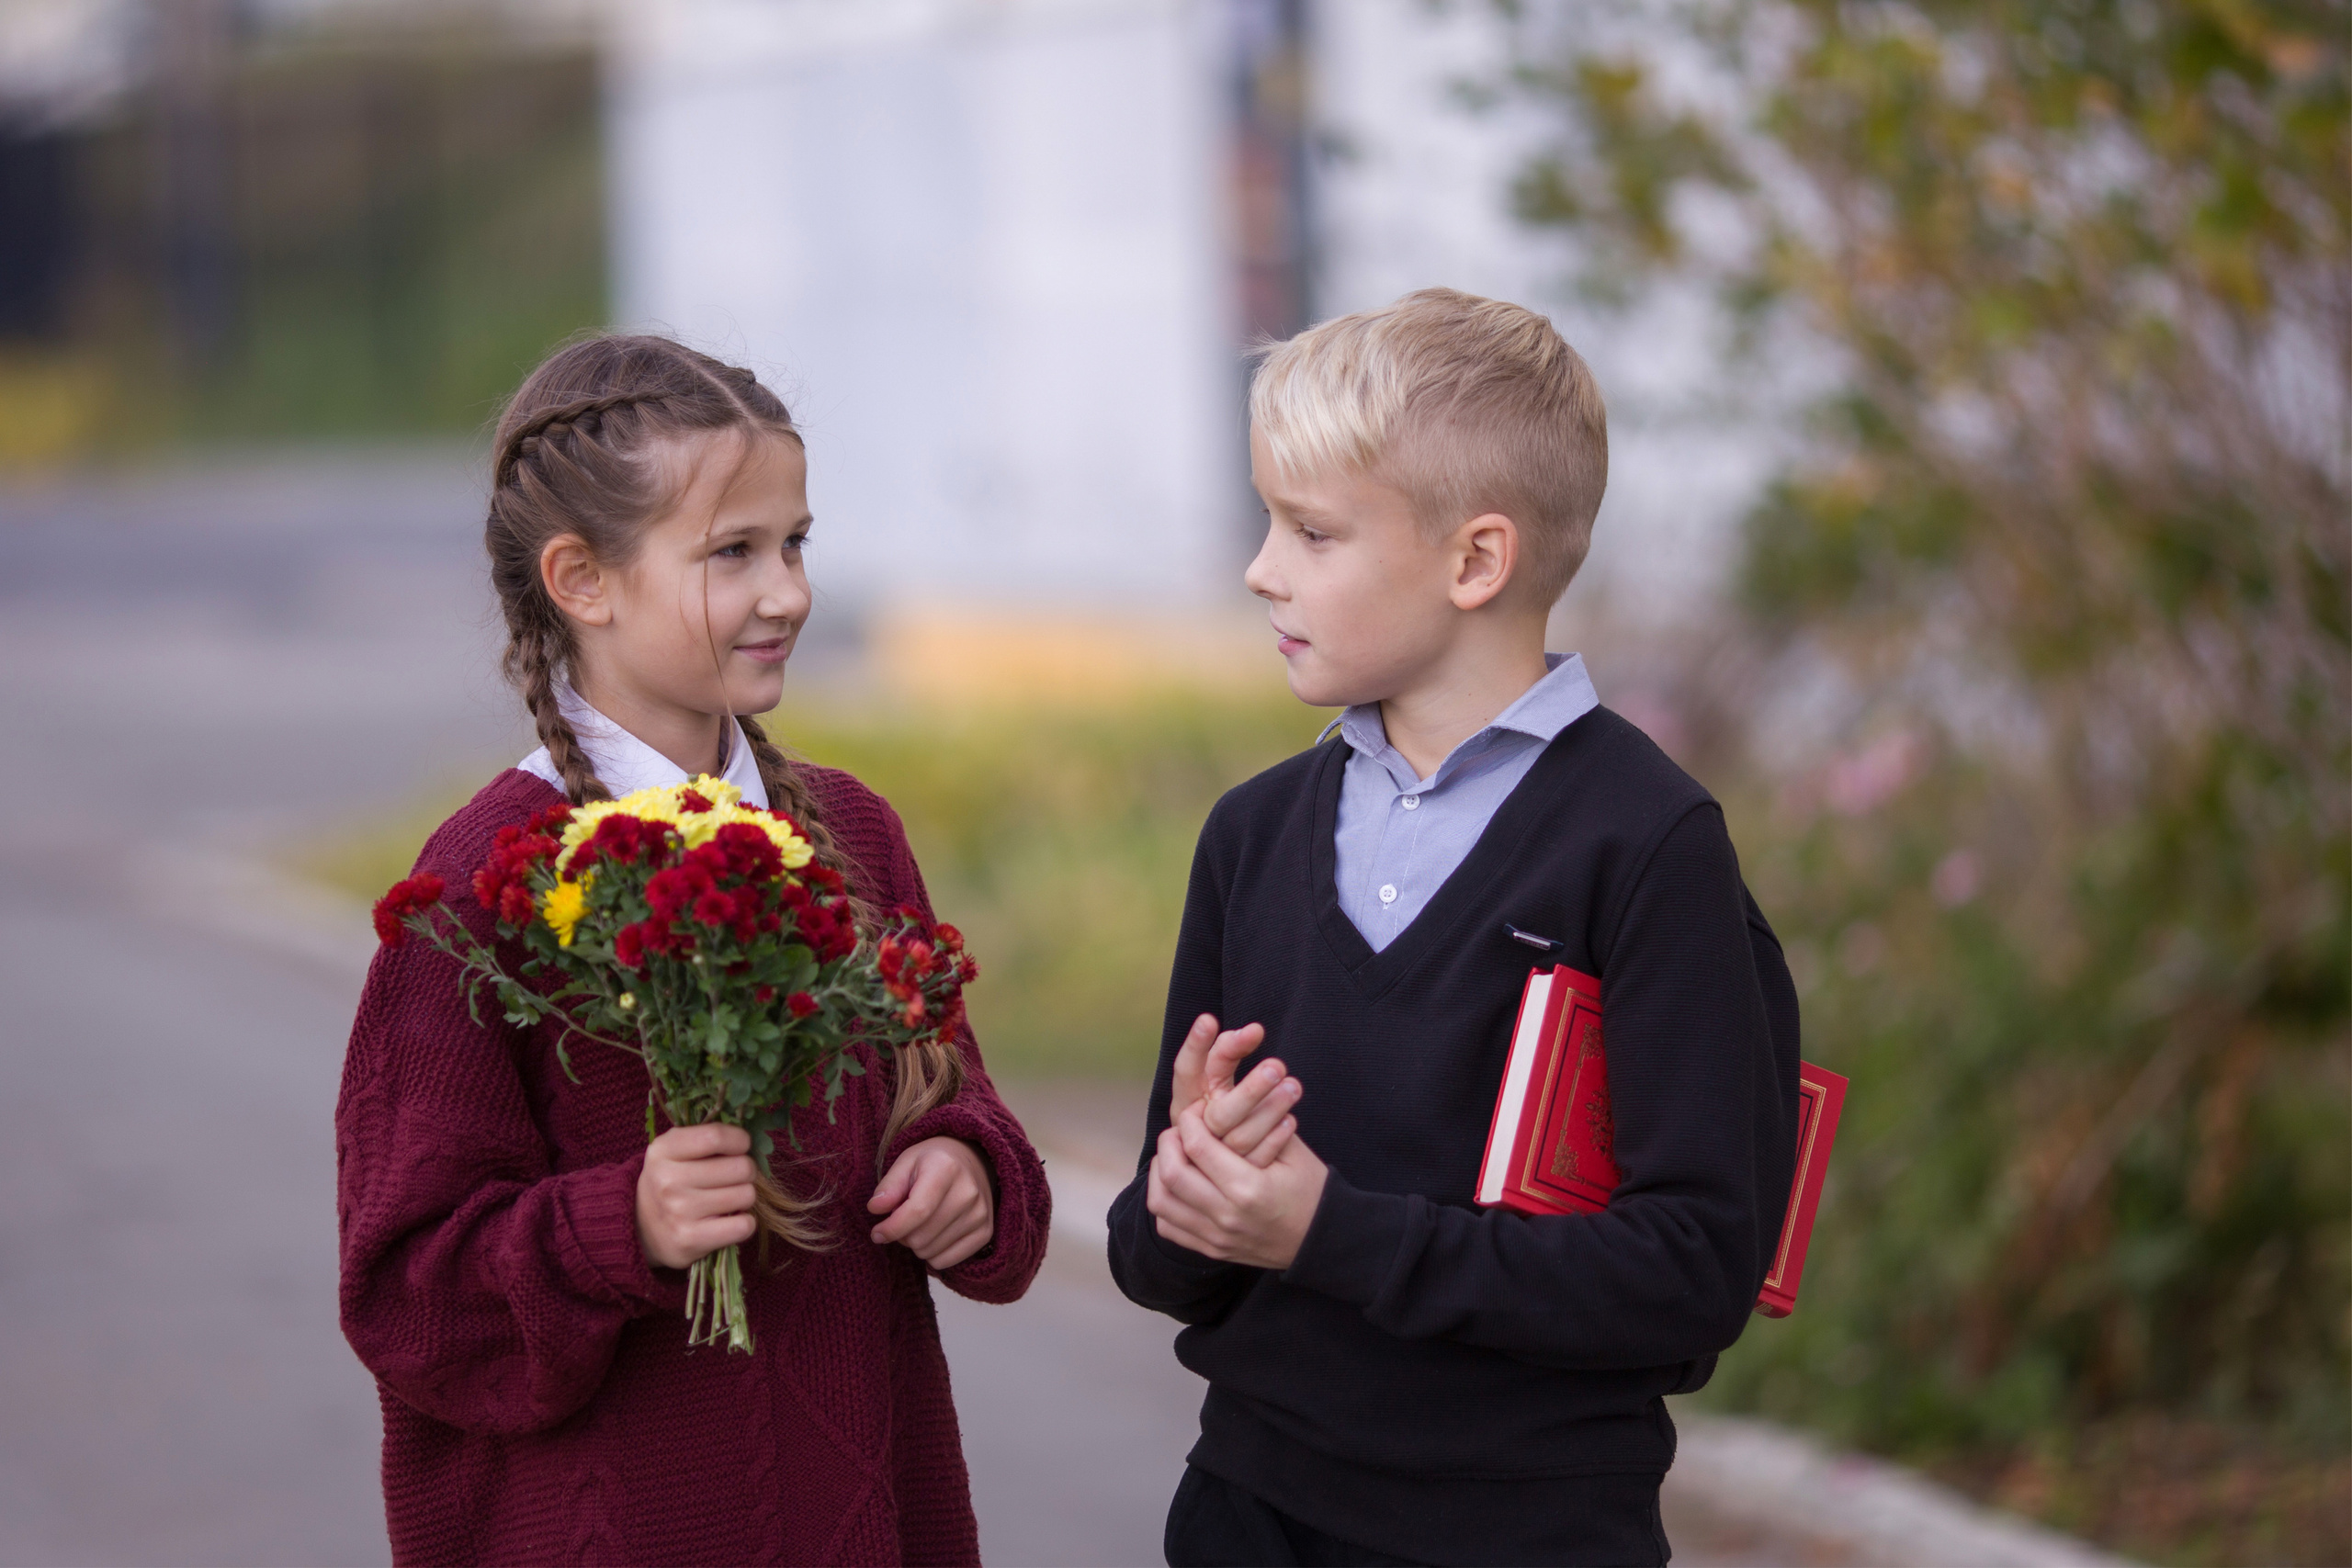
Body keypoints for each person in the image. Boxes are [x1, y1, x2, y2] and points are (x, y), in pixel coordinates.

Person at [1105, 288, 1801, 1568]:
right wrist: (1191, 1192)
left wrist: (1328, 1231)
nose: (1262, 568)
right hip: (1246, 1514)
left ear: (1476, 562)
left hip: (1529, 1531)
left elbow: (1697, 1270)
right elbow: (1155, 1264)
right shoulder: (1250, 837)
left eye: (1312, 532)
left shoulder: (1648, 845)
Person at [336, 334, 1050, 1566]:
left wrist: (968, 1176)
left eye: (795, 543)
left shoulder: (850, 837)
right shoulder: (481, 891)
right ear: (582, 578)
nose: (789, 592)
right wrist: (624, 1225)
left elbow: (961, 1104)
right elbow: (410, 1300)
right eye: (734, 553)